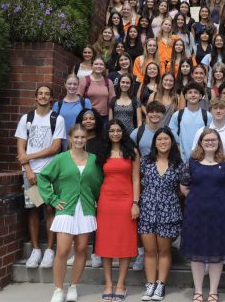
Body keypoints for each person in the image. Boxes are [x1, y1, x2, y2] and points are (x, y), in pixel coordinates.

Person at [38, 125, 103, 302]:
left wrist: (97, 200)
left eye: (83, 137)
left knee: (82, 249)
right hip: (66, 208)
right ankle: (58, 289)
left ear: (86, 139)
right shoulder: (61, 159)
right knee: (63, 250)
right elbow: (42, 177)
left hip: (87, 209)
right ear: (70, 138)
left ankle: (73, 286)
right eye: (76, 137)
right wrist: (52, 199)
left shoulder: (94, 160)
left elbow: (98, 183)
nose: (80, 140)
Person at [180, 129, 225, 302]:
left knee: (216, 253)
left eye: (213, 140)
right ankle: (198, 291)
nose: (210, 142)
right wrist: (199, 199)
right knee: (196, 252)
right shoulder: (192, 163)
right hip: (196, 213)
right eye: (206, 140)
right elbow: (184, 187)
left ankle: (213, 291)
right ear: (200, 142)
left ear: (219, 142)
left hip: (220, 213)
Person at [15, 86, 66, 270]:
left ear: (51, 98)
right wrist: (28, 169)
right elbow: (21, 148)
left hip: (50, 173)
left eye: (47, 94)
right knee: (33, 210)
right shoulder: (26, 119)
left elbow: (55, 148)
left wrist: (30, 157)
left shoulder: (56, 119)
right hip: (31, 173)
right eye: (40, 94)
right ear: (35, 97)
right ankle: (36, 249)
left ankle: (50, 250)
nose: (43, 96)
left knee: (50, 209)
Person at [95, 120, 140, 302]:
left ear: (123, 132)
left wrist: (135, 203)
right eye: (111, 130)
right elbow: (97, 178)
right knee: (105, 242)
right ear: (107, 133)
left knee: (125, 242)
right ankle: (108, 284)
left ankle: (121, 284)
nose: (115, 133)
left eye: (118, 130)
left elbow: (136, 179)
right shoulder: (102, 152)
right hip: (106, 201)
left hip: (126, 200)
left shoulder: (132, 151)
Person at [139, 127, 185, 301]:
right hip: (148, 210)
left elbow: (183, 189)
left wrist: (169, 197)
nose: (163, 142)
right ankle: (150, 284)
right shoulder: (146, 161)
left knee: (164, 251)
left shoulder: (178, 164)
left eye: (166, 139)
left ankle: (160, 285)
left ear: (171, 142)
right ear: (154, 143)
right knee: (150, 250)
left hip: (169, 211)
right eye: (159, 139)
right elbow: (140, 183)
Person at [169, 82, 212, 162]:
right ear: (185, 96)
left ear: (200, 96)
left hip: (202, 159)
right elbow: (172, 136)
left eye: (196, 92)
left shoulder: (207, 116)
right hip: (181, 159)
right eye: (190, 92)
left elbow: (211, 138)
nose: (193, 95)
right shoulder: (177, 115)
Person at [52, 75, 92, 150]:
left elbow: (89, 124)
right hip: (63, 143)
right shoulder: (57, 105)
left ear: (78, 85)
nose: (72, 86)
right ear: (65, 84)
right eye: (69, 84)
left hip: (80, 141)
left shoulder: (85, 102)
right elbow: (54, 126)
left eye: (75, 84)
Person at [78, 57, 116, 125]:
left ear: (104, 67)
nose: (99, 66)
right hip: (88, 118)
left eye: (101, 64)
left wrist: (110, 121)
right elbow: (78, 99)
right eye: (96, 64)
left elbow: (111, 103)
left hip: (103, 118)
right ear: (92, 66)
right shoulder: (85, 80)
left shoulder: (108, 82)